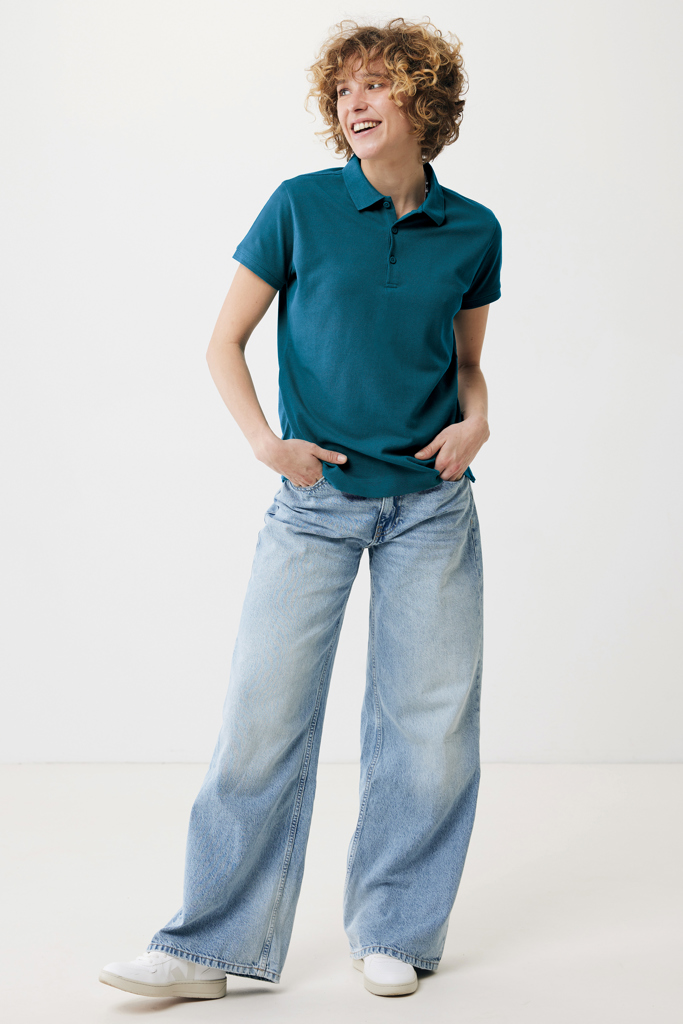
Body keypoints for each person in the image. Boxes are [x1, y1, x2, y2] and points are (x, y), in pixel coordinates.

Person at [99, 16, 502, 1000]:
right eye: (343, 89)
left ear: (422, 100)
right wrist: (265, 444)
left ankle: (396, 928)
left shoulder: (473, 229)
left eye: (376, 84)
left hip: (431, 508)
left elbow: (466, 365)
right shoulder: (298, 206)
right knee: (261, 718)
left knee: (429, 731)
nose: (354, 102)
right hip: (314, 504)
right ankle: (207, 949)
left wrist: (477, 422)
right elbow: (222, 343)